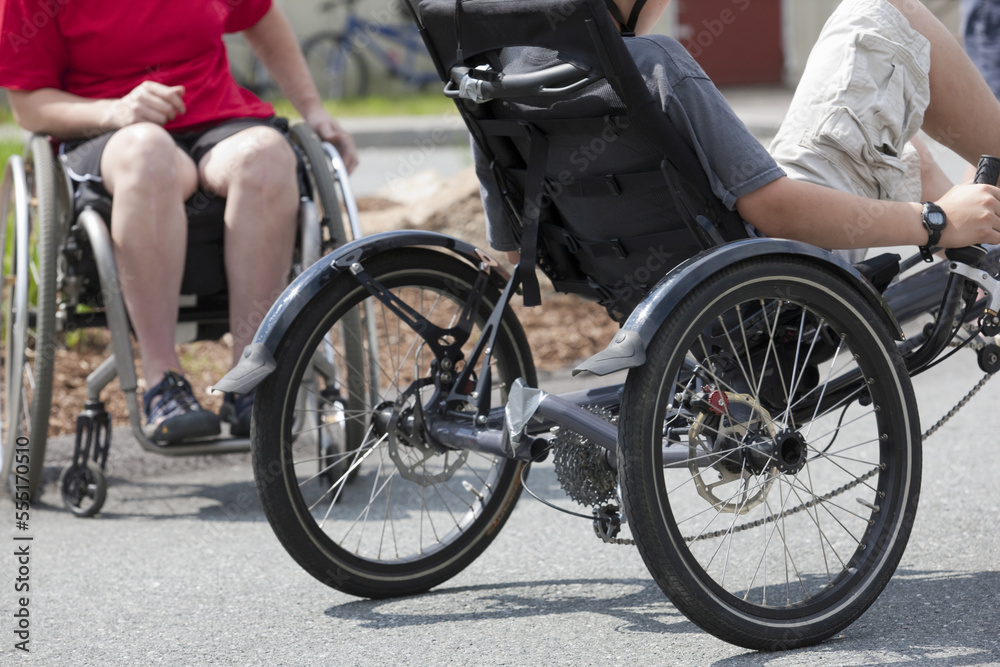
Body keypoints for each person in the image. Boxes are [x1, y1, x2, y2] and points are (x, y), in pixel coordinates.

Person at [0, 0, 359, 443]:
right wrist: (114, 111)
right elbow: (29, 107)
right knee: (147, 152)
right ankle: (161, 380)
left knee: (266, 156)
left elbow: (260, 16)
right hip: (108, 132)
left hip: (218, 120)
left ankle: (252, 380)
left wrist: (314, 109)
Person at [479, 0, 1000, 273]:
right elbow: (773, 210)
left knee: (907, 150)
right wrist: (937, 222)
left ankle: (979, 255)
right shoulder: (654, 66)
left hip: (652, 285)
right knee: (885, 12)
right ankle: (966, 229)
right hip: (778, 265)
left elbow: (509, 245)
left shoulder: (502, 79)